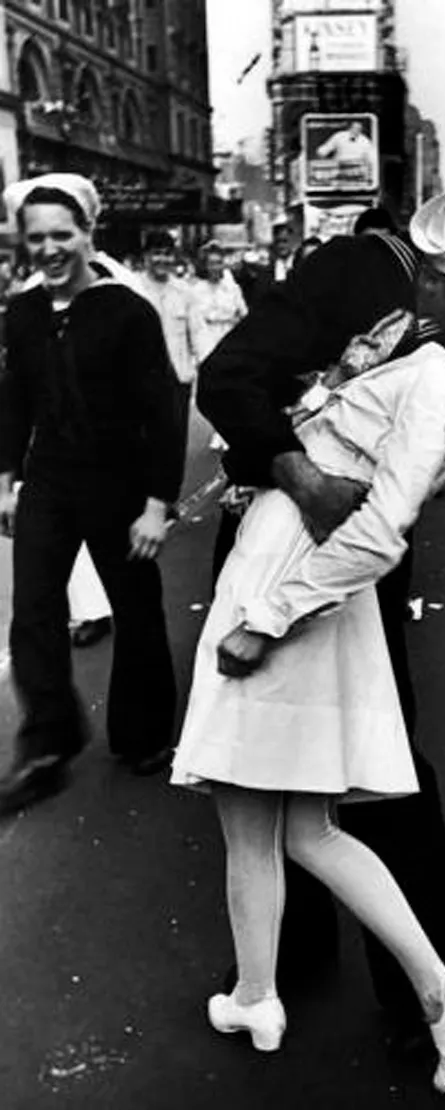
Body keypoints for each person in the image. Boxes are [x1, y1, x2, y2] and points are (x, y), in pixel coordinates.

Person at [171, 185, 445, 1093]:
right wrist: (300, 472)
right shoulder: (355, 270)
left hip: (340, 565)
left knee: (344, 782)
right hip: (290, 523)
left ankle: (415, 994)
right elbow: (231, 379)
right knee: (291, 794)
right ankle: (289, 969)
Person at [0, 173, 183, 816]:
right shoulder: (20, 313)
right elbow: (14, 399)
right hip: (49, 479)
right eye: (36, 238)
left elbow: (162, 412)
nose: (49, 249)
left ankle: (143, 735)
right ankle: (48, 741)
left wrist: (157, 505)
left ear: (87, 235)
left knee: (137, 607)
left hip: (119, 483)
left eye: (61, 235)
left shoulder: (126, 310)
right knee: (34, 611)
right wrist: (6, 483)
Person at [140, 229, 203, 463]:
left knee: (174, 445)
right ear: (145, 257)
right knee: (143, 443)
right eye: (157, 253)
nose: (162, 260)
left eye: (167, 254)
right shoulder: (132, 289)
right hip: (141, 380)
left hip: (177, 380)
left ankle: (170, 497)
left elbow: (199, 335)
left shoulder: (185, 292)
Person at [192, 241, 247, 365]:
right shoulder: (196, 290)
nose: (215, 267)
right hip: (205, 340)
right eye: (211, 263)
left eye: (219, 263)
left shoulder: (232, 288)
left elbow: (245, 316)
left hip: (229, 340)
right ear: (205, 266)